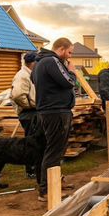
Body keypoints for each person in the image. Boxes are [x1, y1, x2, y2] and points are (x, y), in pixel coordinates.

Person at [32, 37, 76, 201]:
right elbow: (69, 81)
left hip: (50, 111)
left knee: (54, 149)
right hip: (55, 111)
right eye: (69, 52)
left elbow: (34, 81)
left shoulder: (40, 63)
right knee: (54, 150)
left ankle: (55, 181)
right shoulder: (51, 60)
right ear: (62, 48)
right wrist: (71, 71)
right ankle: (46, 190)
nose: (69, 56)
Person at [10, 52, 39, 177]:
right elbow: (17, 95)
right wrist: (28, 106)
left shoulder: (30, 74)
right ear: (33, 63)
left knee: (35, 140)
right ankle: (30, 169)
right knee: (31, 142)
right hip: (28, 113)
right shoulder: (22, 76)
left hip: (32, 111)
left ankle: (34, 166)